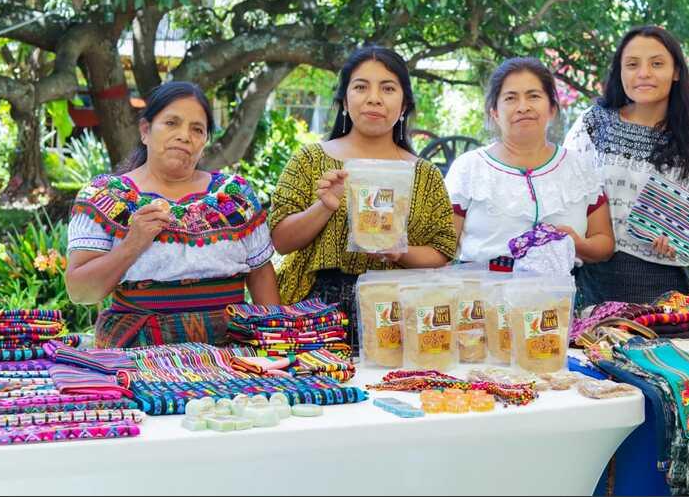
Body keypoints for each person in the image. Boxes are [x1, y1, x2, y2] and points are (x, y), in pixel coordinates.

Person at [268, 46, 457, 347]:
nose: (374, 98)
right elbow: (279, 240)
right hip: (317, 315)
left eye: (388, 88)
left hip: (400, 313)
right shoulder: (309, 159)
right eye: (360, 87)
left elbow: (442, 250)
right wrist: (324, 207)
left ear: (404, 104)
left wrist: (398, 251)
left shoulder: (425, 174)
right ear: (344, 100)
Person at [65, 81, 279, 348]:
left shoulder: (234, 196)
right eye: (171, 123)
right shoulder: (106, 196)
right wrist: (133, 244)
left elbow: (260, 274)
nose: (184, 136)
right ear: (145, 130)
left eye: (197, 129)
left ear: (204, 141)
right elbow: (80, 292)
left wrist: (273, 342)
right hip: (138, 352)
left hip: (229, 351)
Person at [564, 25, 689, 304]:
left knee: (659, 348)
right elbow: (566, 190)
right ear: (620, 72)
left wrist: (678, 240)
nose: (644, 73)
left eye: (657, 64)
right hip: (593, 275)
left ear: (676, 72)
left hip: (666, 280)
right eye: (632, 64)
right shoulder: (594, 123)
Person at [445, 56, 614, 280]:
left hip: (558, 301)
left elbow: (604, 242)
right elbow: (443, 248)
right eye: (510, 98)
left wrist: (577, 243)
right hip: (483, 302)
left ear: (552, 108)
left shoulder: (579, 167)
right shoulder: (469, 168)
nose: (523, 107)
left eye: (534, 96)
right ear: (494, 112)